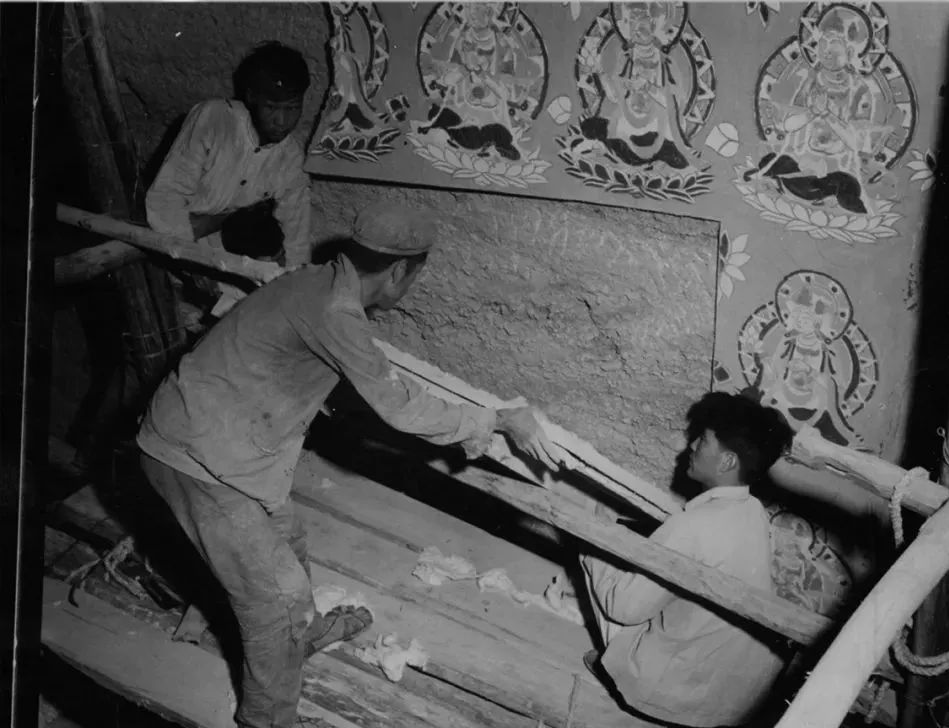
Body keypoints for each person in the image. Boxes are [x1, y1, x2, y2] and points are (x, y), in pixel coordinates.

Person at [136, 202, 561, 728]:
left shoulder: (314, 282)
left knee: (289, 542)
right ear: (400, 271)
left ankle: (297, 638)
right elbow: (401, 409)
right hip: (194, 456)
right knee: (275, 598)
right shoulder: (334, 311)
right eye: (414, 277)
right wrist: (496, 420)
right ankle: (267, 719)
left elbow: (337, 371)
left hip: (226, 443)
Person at [580, 392, 794, 727]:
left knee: (590, 539)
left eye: (703, 440)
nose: (692, 445)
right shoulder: (754, 511)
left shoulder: (690, 526)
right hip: (733, 700)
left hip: (675, 694)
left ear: (727, 462)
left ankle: (619, 674)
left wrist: (600, 532)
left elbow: (623, 608)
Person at [145, 41, 313, 268]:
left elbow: (297, 241)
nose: (281, 121)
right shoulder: (214, 120)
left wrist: (294, 280)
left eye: (292, 108)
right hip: (181, 252)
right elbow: (165, 202)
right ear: (252, 97)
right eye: (271, 108)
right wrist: (208, 239)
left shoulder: (291, 158)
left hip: (235, 261)